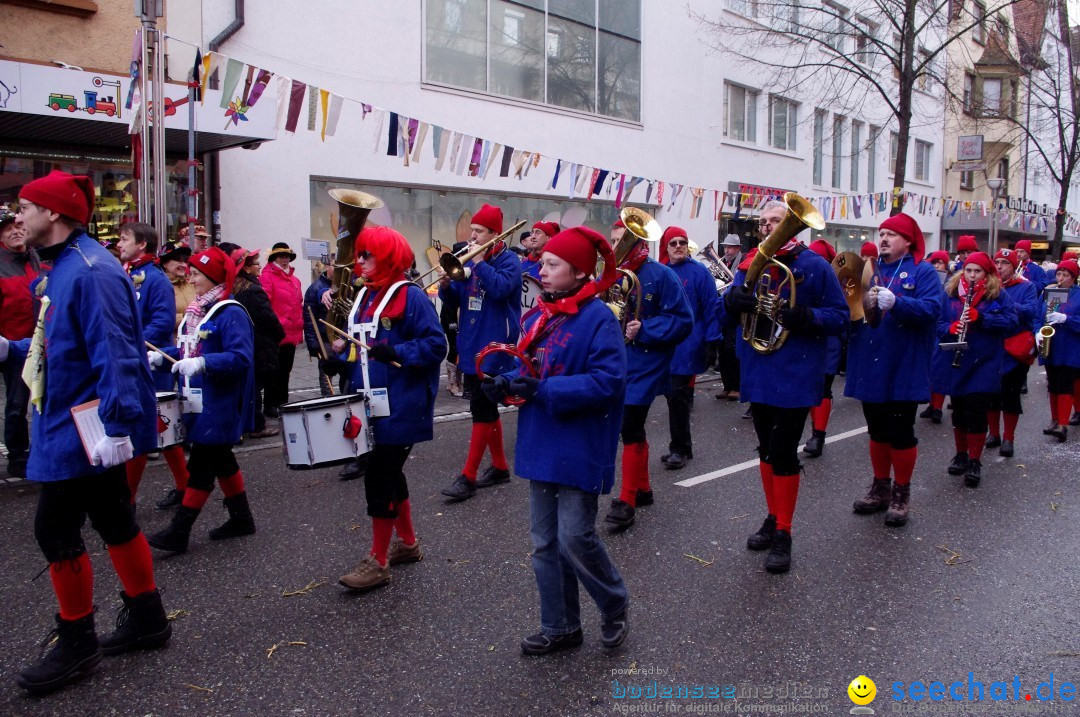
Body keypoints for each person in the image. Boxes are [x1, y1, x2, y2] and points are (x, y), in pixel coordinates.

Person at [1, 171, 170, 694]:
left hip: (84, 426)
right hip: (70, 419)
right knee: (114, 517)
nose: (17, 217)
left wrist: (117, 427)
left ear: (53, 213)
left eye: (25, 207)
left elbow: (117, 351)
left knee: (54, 530)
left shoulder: (90, 269)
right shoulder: (64, 266)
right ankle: (148, 618)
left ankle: (78, 644)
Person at [485, 226, 629, 654]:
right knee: (544, 542)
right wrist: (506, 382)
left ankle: (614, 603)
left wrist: (543, 392)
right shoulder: (542, 313)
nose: (541, 271)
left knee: (574, 537)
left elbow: (608, 382)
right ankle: (561, 625)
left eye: (552, 264)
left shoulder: (599, 318)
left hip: (579, 444)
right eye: (542, 262)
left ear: (580, 272)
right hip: (541, 441)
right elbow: (531, 368)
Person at [720, 200, 848, 573]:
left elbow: (841, 316)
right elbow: (719, 313)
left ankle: (785, 532)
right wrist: (731, 301)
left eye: (776, 221)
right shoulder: (748, 264)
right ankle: (773, 517)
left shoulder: (814, 266)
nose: (768, 227)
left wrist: (807, 316)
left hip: (796, 370)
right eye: (764, 222)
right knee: (765, 447)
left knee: (783, 449)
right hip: (759, 368)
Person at [334, 227, 447, 591]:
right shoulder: (364, 295)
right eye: (360, 254)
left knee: (379, 477)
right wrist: (340, 358)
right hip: (368, 403)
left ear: (387, 257)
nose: (360, 260)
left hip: (402, 403)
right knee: (390, 474)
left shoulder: (411, 297)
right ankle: (409, 545)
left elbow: (435, 345)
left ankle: (378, 561)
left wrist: (399, 351)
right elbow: (362, 349)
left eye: (367, 255)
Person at [146, 246, 257, 553]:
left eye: (196, 273)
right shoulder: (198, 310)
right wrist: (164, 358)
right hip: (197, 400)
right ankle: (242, 518)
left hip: (219, 402)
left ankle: (179, 530)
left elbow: (241, 357)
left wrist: (204, 364)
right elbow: (187, 352)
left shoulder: (231, 312)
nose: (191, 278)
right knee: (222, 459)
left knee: (202, 465)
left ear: (212, 277)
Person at [847, 213, 943, 528]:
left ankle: (902, 492)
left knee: (901, 432)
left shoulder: (923, 271)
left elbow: (932, 311)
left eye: (891, 234)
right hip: (871, 361)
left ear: (908, 241)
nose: (884, 238)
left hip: (904, 364)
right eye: (882, 233)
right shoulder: (867, 270)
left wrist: (897, 303)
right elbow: (851, 312)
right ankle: (880, 487)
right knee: (876, 429)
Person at [603, 218, 694, 529]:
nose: (615, 247)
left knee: (630, 423)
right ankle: (643, 490)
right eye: (613, 241)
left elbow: (683, 320)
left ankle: (627, 499)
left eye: (621, 240)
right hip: (616, 357)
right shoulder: (609, 273)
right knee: (628, 427)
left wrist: (645, 328)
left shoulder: (662, 274)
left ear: (640, 242)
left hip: (646, 359)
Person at [439, 204, 522, 501]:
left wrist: (481, 262)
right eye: (472, 230)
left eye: (478, 232)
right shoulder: (472, 261)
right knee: (485, 407)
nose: (471, 236)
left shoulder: (509, 261)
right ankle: (499, 467)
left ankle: (469, 476)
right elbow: (457, 299)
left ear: (494, 234)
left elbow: (500, 290)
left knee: (481, 409)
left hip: (496, 345)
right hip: (473, 343)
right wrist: (448, 285)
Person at [117, 223, 191, 509]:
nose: (119, 243)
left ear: (142, 245)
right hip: (132, 359)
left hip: (151, 361)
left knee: (148, 426)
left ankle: (129, 498)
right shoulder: (127, 273)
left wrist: (132, 347)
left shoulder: (155, 280)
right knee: (162, 427)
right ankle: (184, 483)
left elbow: (161, 321)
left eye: (125, 239)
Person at [935, 253, 1017, 487]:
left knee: (976, 410)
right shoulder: (950, 293)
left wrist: (982, 318)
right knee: (959, 410)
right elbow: (938, 324)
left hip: (984, 361)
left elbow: (1011, 322)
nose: (971, 275)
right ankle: (960, 454)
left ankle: (974, 460)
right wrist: (951, 327)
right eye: (968, 270)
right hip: (957, 358)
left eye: (977, 271)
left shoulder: (998, 295)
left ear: (986, 274)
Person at [659, 226, 720, 470]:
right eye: (672, 243)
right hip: (666, 345)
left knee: (678, 397)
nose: (678, 246)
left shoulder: (699, 272)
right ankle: (684, 445)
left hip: (688, 345)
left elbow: (711, 307)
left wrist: (711, 341)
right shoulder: (661, 272)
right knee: (672, 397)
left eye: (682, 241)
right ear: (666, 247)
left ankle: (680, 449)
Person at [220, 243, 284, 441]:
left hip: (247, 341)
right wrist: (279, 333)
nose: (259, 267)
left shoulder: (236, 286)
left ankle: (244, 423)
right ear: (246, 267)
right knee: (255, 386)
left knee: (248, 385)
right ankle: (256, 425)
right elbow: (267, 317)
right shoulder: (252, 290)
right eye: (256, 264)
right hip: (259, 343)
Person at [985, 249, 1040, 457]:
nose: (999, 267)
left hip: (1015, 348)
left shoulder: (1026, 286)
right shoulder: (991, 285)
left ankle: (1009, 437)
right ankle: (994, 434)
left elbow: (1030, 311)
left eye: (1004, 263)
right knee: (990, 393)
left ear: (1013, 265)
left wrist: (1006, 302)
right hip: (993, 345)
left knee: (1010, 394)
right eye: (996, 262)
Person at [0, 206, 38, 478]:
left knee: (18, 404)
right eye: (7, 229)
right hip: (5, 341)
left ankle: (18, 457)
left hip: (30, 345)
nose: (15, 232)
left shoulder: (38, 259)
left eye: (18, 226)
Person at [803, 238, 844, 458]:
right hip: (807, 338)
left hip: (828, 340)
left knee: (824, 387)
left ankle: (818, 435)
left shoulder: (838, 280)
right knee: (811, 387)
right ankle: (814, 432)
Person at [1037, 259, 1079, 441]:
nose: (1061, 278)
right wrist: (1038, 331)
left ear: (1074, 277)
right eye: (1059, 274)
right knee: (1052, 383)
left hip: (1070, 347)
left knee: (1065, 384)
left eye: (1066, 275)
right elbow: (1038, 315)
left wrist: (1066, 319)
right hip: (1051, 344)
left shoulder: (1078, 294)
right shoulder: (1049, 292)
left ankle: (1063, 424)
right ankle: (1054, 420)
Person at [260, 242, 304, 417]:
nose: (285, 259)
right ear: (274, 258)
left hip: (291, 332)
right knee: (273, 371)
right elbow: (266, 306)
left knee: (285, 370)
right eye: (281, 256)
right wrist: (279, 324)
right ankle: (270, 404)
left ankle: (282, 402)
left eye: (287, 256)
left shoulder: (295, 280)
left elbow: (297, 304)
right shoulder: (267, 277)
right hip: (276, 333)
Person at [303, 260, 347, 397]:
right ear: (327, 266)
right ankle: (329, 402)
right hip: (325, 339)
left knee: (346, 372)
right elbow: (309, 318)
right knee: (327, 374)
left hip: (343, 337)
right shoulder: (315, 287)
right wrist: (312, 344)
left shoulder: (344, 284)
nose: (338, 269)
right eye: (335, 266)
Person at [715, 233, 743, 399]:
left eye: (730, 247)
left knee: (732, 350)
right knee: (723, 350)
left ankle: (737, 386)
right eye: (725, 247)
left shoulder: (741, 262)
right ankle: (727, 385)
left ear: (738, 248)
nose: (726, 250)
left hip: (734, 311)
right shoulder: (723, 262)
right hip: (723, 308)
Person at [440, 241, 467, 398]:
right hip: (450, 315)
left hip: (459, 314)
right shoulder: (453, 271)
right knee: (454, 347)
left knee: (460, 347)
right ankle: (452, 383)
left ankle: (458, 381)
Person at [159, 238, 195, 330]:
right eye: (178, 260)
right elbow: (160, 318)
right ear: (165, 263)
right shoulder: (159, 285)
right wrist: (186, 318)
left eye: (185, 261)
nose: (183, 265)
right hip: (170, 342)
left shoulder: (191, 283)